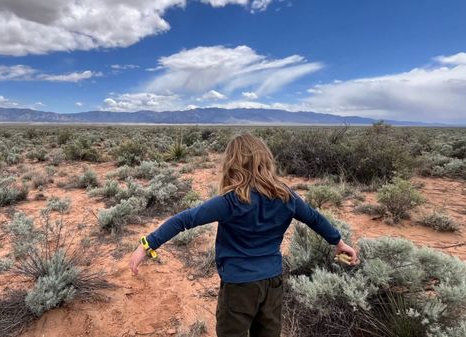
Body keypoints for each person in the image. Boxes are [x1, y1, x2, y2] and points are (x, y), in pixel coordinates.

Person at [129, 133, 358, 337]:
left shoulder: (231, 201)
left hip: (239, 287)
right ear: (265, 161)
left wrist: (147, 245)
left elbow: (184, 220)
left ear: (232, 164)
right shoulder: (286, 196)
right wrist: (338, 242)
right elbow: (315, 218)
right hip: (273, 282)